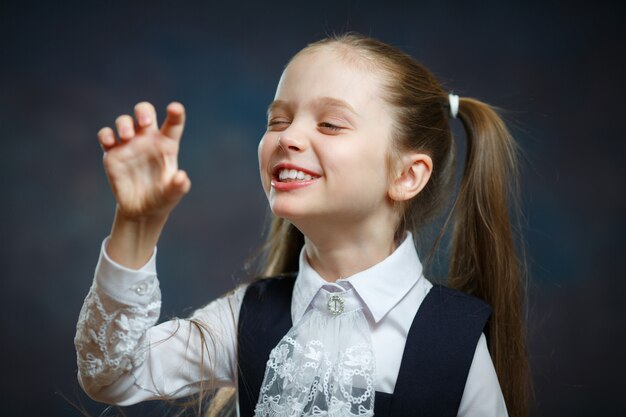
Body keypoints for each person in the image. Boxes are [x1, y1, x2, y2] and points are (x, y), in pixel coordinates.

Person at [75, 33, 530, 417]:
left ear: (406, 175)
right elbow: (112, 376)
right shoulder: (243, 317)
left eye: (330, 124)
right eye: (278, 120)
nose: (288, 137)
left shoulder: (455, 341)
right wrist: (136, 225)